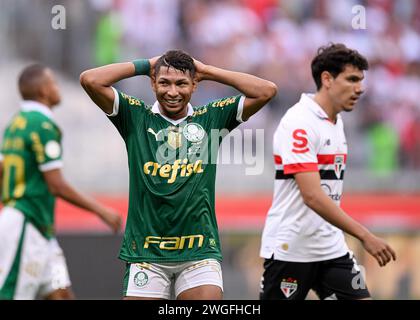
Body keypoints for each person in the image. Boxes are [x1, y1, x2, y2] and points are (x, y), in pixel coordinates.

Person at [80, 49, 277, 300]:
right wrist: (145, 65)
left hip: (199, 252)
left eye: (182, 83)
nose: (172, 92)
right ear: (153, 82)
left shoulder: (212, 118)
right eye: (164, 82)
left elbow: (266, 90)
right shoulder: (135, 116)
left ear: (194, 85)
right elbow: (90, 79)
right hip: (146, 254)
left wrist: (207, 70)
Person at [259, 43, 396, 300]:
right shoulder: (299, 122)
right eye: (352, 79)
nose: (360, 88)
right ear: (327, 79)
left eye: (361, 80)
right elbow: (312, 196)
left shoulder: (336, 121)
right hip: (292, 249)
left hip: (331, 247)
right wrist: (365, 236)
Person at [0, 64, 122, 300]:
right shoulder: (44, 125)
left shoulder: (15, 124)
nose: (58, 88)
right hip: (27, 226)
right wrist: (101, 210)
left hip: (43, 235)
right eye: (54, 83)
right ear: (44, 91)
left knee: (61, 293)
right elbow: (56, 185)